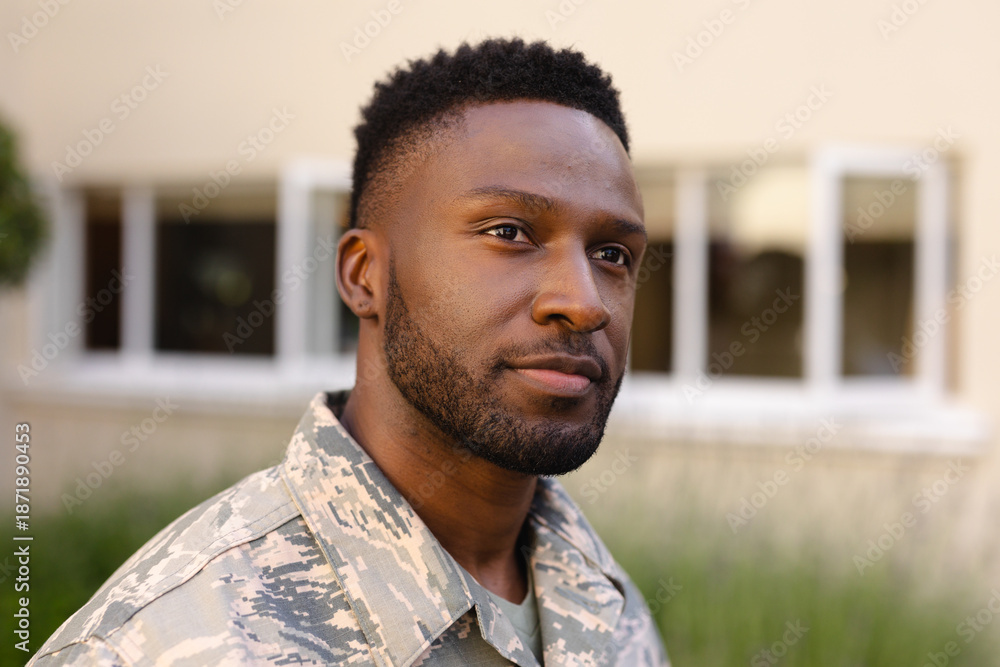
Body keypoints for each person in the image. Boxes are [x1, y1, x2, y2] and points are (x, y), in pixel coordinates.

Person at [30, 38, 669, 666]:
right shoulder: (163, 642)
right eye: (509, 232)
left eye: (613, 254)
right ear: (364, 275)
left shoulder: (608, 607)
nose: (586, 304)